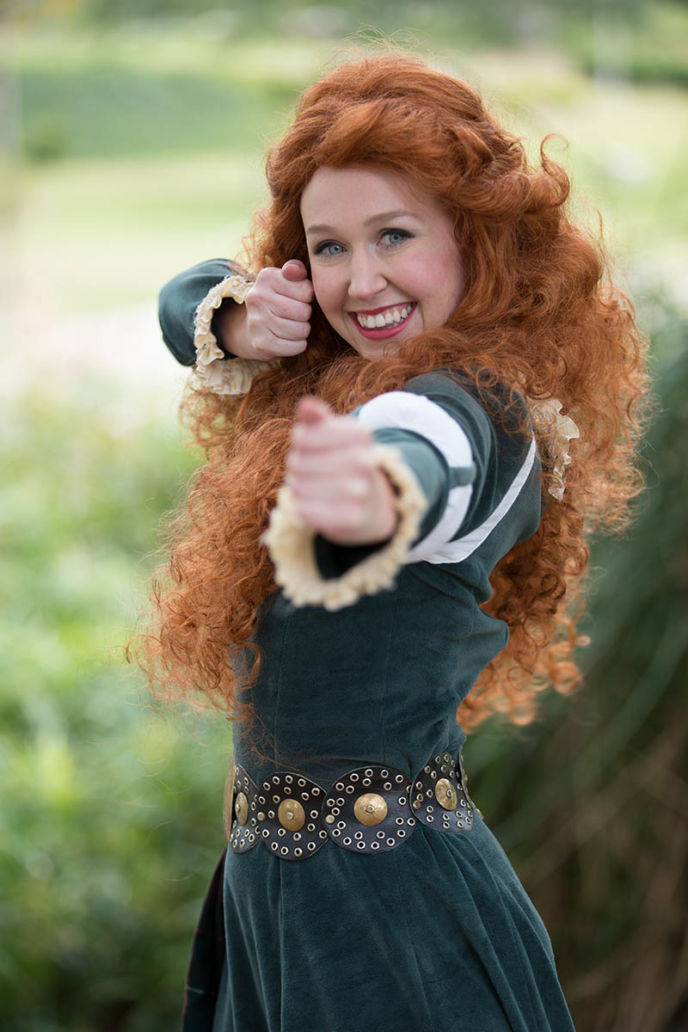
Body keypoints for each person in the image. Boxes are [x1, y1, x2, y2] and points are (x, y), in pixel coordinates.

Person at [142, 52, 647, 1031]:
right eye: (328, 246)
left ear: (475, 240)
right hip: (284, 908)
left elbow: (420, 457)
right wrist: (240, 317)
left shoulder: (479, 412)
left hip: (393, 929)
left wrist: (370, 493)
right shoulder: (340, 376)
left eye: (394, 236)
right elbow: (181, 298)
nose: (360, 279)